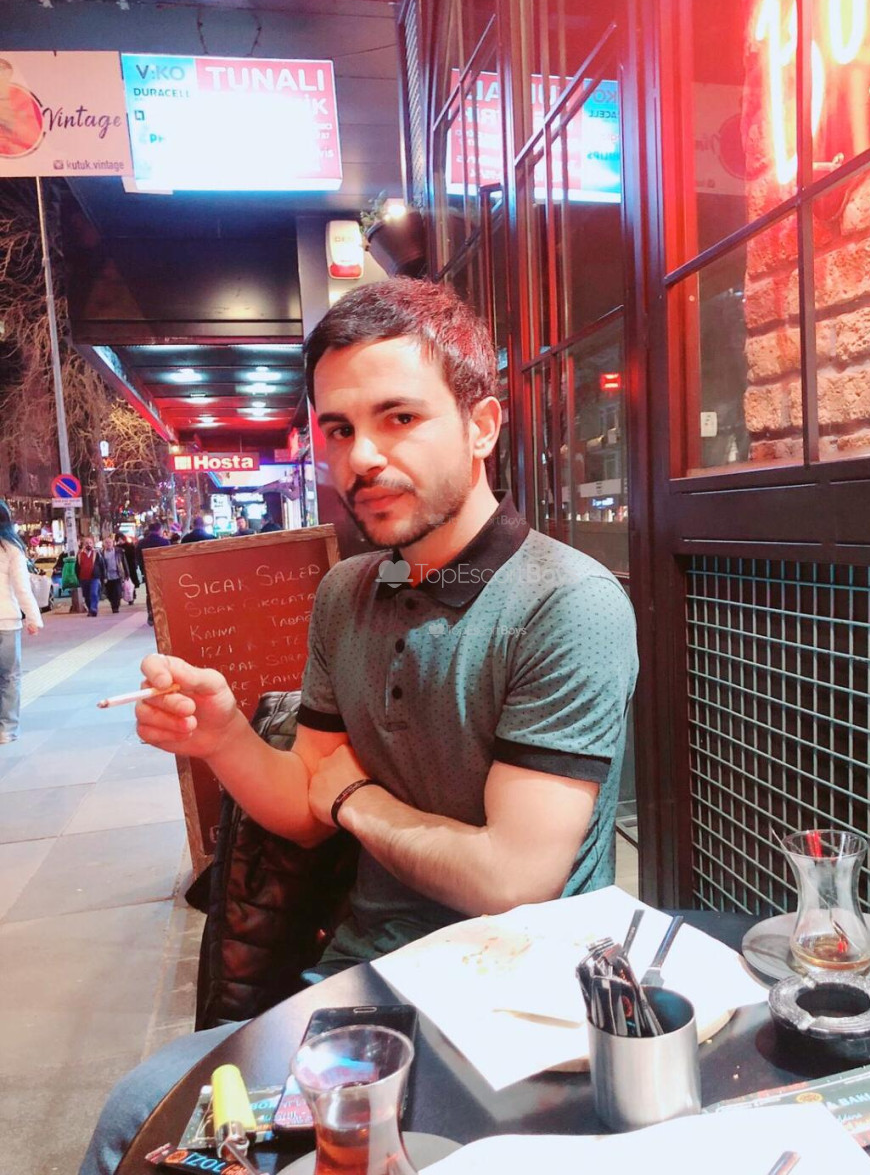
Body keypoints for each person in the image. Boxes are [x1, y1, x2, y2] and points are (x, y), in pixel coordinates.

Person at [81, 279, 638, 1174]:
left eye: (399, 418)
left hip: (519, 1006)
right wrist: (221, 736)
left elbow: (514, 878)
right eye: (338, 430)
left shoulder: (566, 602)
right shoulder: (347, 593)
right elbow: (304, 807)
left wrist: (353, 799)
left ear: (482, 425)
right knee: (146, 1122)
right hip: (359, 983)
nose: (361, 458)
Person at [0, 499, 42, 743]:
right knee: (9, 677)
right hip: (6, 621)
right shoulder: (12, 549)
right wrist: (33, 618)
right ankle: (6, 729)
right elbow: (22, 588)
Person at [137, 520, 170, 626]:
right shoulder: (164, 542)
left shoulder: (141, 543)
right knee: (163, 592)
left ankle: (151, 614)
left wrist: (142, 569)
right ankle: (163, 613)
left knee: (150, 593)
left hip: (148, 571)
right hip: (162, 571)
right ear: (159, 530)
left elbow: (138, 558)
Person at [76, 535, 107, 617]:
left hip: (94, 578)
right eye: (86, 543)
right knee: (87, 596)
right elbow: (77, 567)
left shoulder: (97, 554)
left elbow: (102, 566)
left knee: (94, 593)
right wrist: (78, 578)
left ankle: (94, 609)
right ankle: (90, 609)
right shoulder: (79, 554)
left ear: (93, 544)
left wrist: (104, 577)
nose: (88, 544)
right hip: (83, 578)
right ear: (83, 544)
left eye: (90, 543)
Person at [101, 535, 130, 614]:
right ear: (104, 544)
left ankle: (116, 606)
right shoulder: (101, 553)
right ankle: (113, 604)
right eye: (106, 543)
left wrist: (127, 573)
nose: (108, 544)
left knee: (117, 591)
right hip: (107, 576)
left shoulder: (119, 551)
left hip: (117, 574)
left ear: (112, 543)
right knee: (109, 592)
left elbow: (124, 562)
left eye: (109, 542)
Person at [115, 532, 141, 597]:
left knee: (131, 580)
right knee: (124, 581)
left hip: (130, 565)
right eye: (118, 539)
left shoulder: (130, 545)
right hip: (122, 566)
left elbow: (133, 555)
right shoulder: (117, 547)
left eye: (121, 539)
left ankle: (133, 593)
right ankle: (127, 594)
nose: (120, 540)